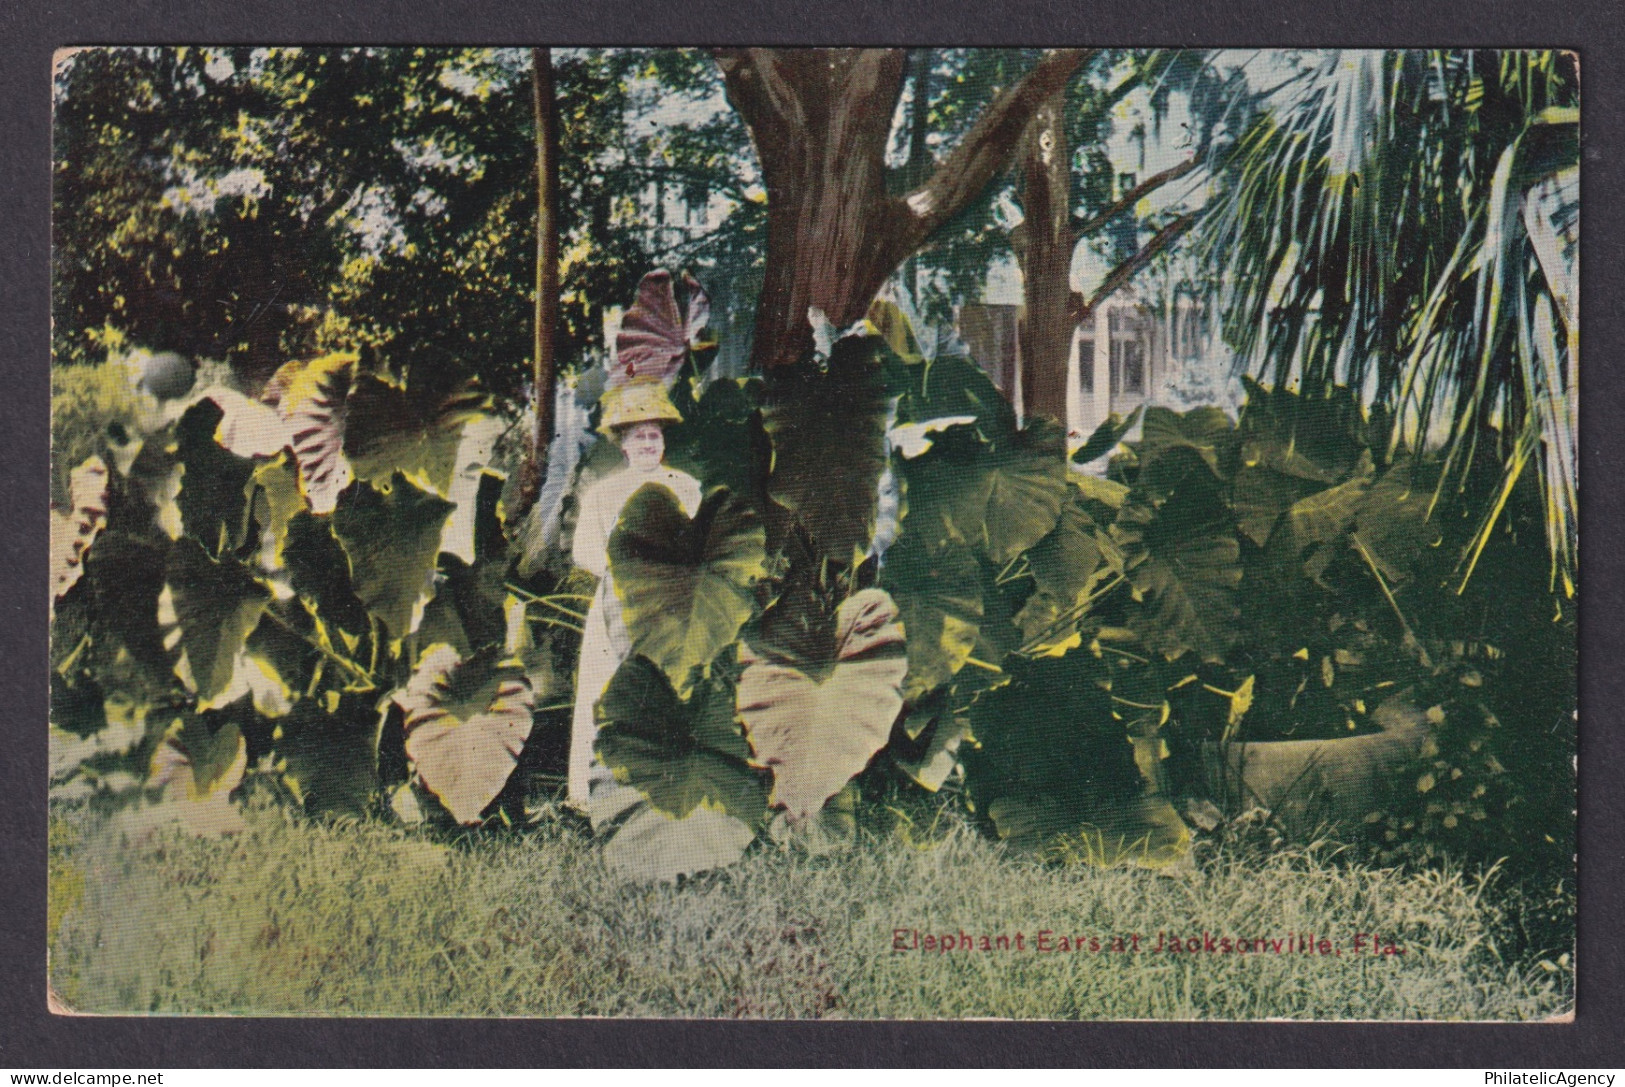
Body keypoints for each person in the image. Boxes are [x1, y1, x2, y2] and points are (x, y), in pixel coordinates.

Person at [567, 376, 700, 812]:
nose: (647, 444)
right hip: (617, 601)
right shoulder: (605, 493)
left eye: (654, 435)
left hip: (671, 601)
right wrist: (626, 564)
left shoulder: (685, 487)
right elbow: (585, 551)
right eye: (638, 436)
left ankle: (661, 789)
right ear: (623, 444)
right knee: (606, 687)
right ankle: (594, 792)